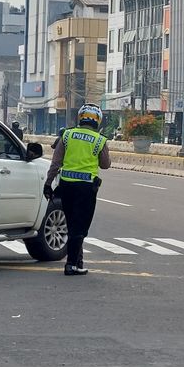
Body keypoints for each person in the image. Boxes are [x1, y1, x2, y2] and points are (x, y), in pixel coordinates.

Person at [43, 103, 111, 276]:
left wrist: (48, 184)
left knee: (72, 224)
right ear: (98, 120)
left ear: (80, 117)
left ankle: (78, 262)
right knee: (79, 228)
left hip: (65, 187)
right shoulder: (99, 139)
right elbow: (105, 165)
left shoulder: (67, 135)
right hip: (86, 189)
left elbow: (55, 163)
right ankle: (71, 265)